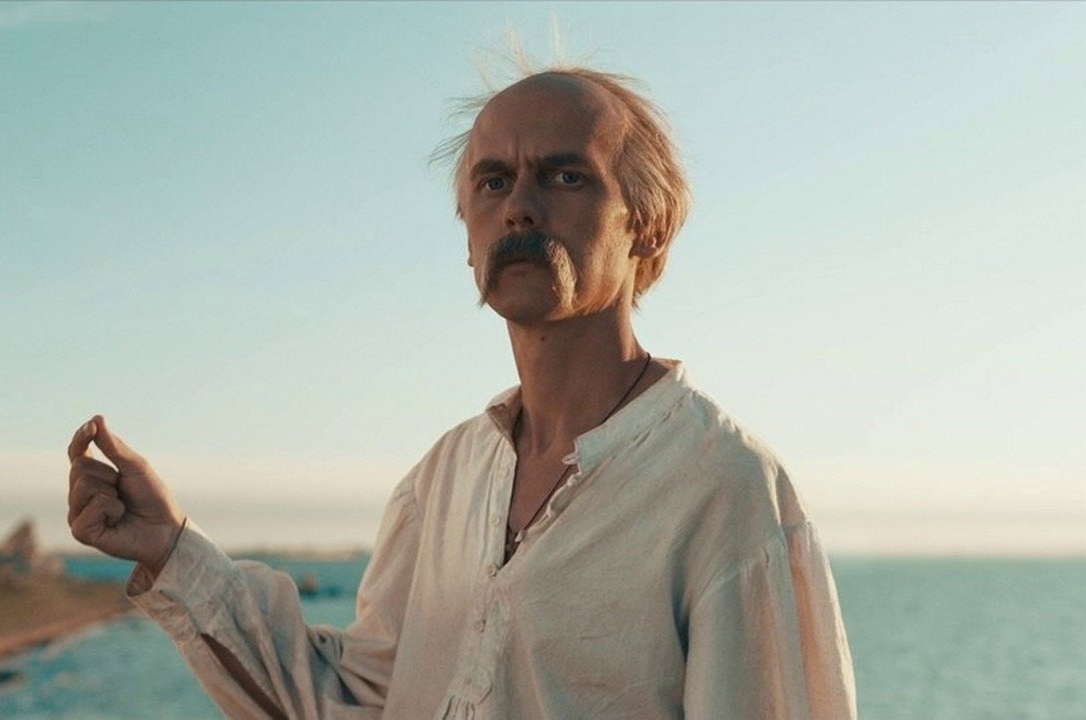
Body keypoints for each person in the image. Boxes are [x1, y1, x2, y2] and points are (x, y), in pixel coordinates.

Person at [66, 66, 857, 719]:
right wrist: (170, 551)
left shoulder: (725, 492)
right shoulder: (441, 484)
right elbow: (354, 701)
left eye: (565, 176)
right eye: (493, 182)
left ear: (646, 224)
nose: (520, 207)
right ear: (468, 236)